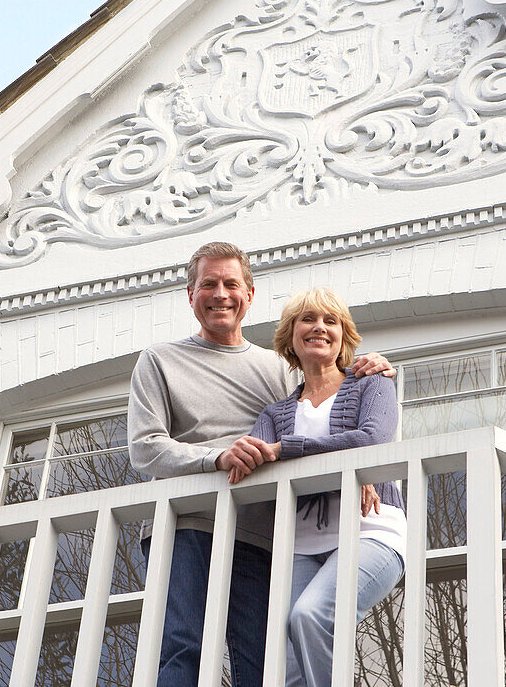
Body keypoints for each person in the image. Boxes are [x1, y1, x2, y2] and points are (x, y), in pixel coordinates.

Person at [127, 243, 392, 687]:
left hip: (266, 532)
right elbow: (145, 447)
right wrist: (216, 457)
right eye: (208, 284)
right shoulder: (160, 360)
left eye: (231, 284)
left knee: (262, 659)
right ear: (190, 294)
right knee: (184, 644)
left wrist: (362, 463)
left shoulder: (279, 369)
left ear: (249, 295)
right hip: (187, 522)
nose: (220, 294)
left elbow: (322, 420)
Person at [240, 287, 406, 687]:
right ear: (290, 337)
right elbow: (259, 466)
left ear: (344, 336)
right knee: (288, 659)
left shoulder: (372, 384)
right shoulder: (275, 413)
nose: (319, 328)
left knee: (310, 615)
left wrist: (288, 450)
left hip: (371, 530)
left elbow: (371, 441)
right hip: (301, 542)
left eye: (330, 321)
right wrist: (342, 473)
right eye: (308, 319)